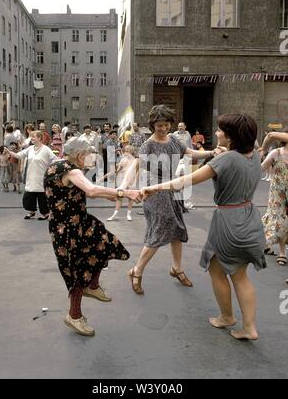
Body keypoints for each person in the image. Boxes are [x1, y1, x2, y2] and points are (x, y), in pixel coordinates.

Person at [142, 114, 267, 341]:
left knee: (217, 270)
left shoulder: (225, 160)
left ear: (231, 138)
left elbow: (184, 181)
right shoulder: (255, 157)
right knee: (240, 275)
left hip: (229, 220)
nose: (216, 133)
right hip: (250, 216)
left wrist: (154, 188)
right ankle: (249, 327)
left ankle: (227, 317)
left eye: (220, 131)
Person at [44, 137, 141, 336]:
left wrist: (117, 194)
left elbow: (83, 192)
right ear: (80, 155)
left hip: (79, 222)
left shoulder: (56, 165)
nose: (90, 159)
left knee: (107, 244)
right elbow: (92, 190)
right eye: (88, 155)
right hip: (70, 229)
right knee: (79, 270)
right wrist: (124, 193)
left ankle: (93, 285)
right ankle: (74, 316)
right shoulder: (72, 170)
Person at [120, 105, 220, 295]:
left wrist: (210, 152)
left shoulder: (174, 139)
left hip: (173, 189)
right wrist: (123, 186)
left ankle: (176, 268)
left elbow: (190, 152)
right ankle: (136, 270)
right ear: (152, 125)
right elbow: (135, 166)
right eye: (159, 125)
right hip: (154, 191)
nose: (163, 128)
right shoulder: (148, 144)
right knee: (160, 229)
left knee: (177, 229)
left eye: (166, 125)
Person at [4, 131, 57, 220]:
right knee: (29, 194)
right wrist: (9, 151)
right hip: (30, 176)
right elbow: (19, 155)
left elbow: (55, 160)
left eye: (33, 137)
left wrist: (52, 170)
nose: (31, 138)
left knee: (41, 196)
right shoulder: (30, 149)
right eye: (31, 137)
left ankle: (45, 213)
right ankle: (31, 212)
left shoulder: (46, 149)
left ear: (40, 138)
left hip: (41, 176)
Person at [261, 129, 288, 266]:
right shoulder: (276, 153)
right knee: (280, 218)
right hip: (277, 193)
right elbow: (261, 168)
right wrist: (262, 151)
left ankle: (264, 242)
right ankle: (282, 252)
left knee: (275, 218)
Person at [106, 145, 137, 222]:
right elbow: (118, 170)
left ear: (131, 152)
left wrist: (135, 183)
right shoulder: (124, 160)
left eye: (127, 151)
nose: (125, 153)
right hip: (123, 180)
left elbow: (136, 173)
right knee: (120, 197)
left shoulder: (134, 160)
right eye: (125, 151)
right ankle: (116, 214)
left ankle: (128, 214)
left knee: (129, 198)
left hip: (130, 180)